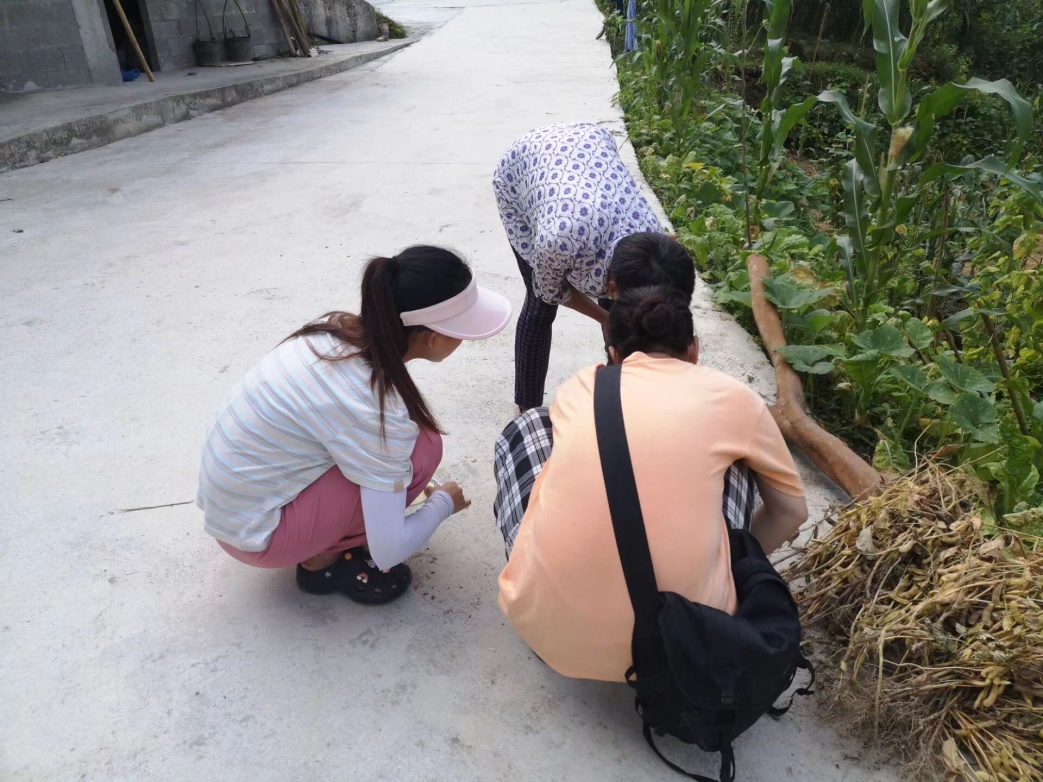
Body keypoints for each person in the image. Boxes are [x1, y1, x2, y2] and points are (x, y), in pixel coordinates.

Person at [494, 287, 808, 681]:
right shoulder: (736, 399)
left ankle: (551, 586)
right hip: (688, 647)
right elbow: (791, 512)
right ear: (694, 350)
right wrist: (730, 566)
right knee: (738, 464)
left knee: (530, 426)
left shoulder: (581, 385)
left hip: (549, 636)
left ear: (613, 355)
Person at [198, 246, 511, 605]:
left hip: (233, 513)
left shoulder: (332, 333)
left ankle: (323, 535)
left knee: (412, 443)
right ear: (433, 337)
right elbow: (389, 551)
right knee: (422, 452)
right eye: (461, 331)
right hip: (260, 539)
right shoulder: (374, 409)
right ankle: (321, 559)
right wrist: (442, 503)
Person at [493, 122, 663, 411]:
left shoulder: (651, 238)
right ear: (611, 284)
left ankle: (619, 392)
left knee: (619, 318)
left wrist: (616, 321)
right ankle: (527, 410)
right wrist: (605, 318)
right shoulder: (556, 240)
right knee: (540, 308)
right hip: (524, 166)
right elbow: (550, 291)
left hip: (589, 150)